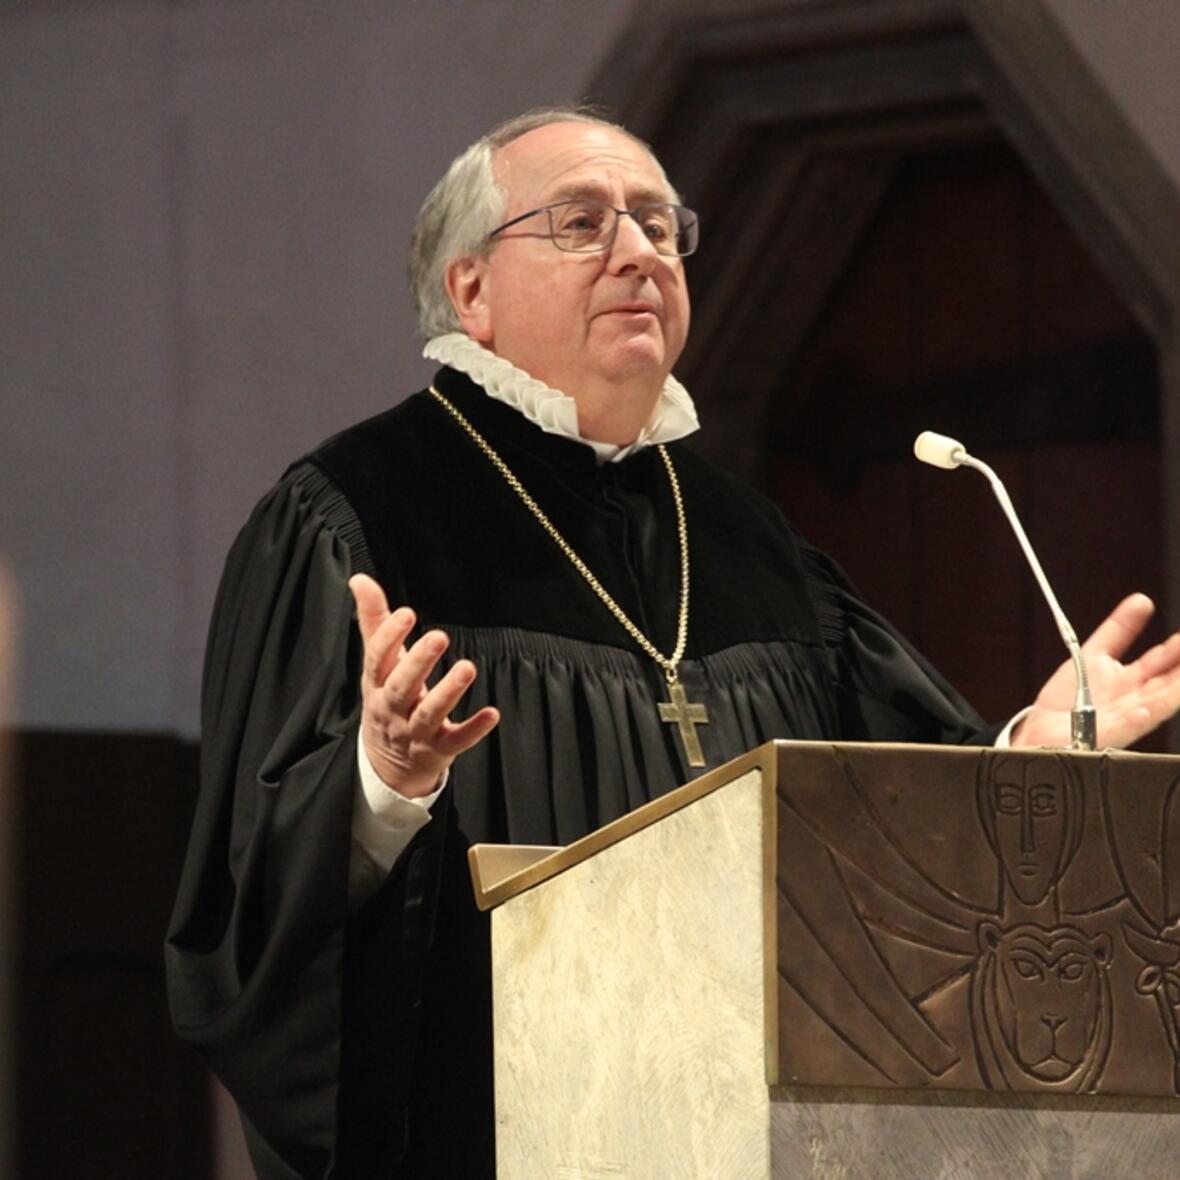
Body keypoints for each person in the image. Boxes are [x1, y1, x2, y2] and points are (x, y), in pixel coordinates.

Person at [165, 106, 1180, 1179]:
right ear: (470, 291)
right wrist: (382, 781)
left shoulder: (749, 539)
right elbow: (250, 902)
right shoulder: (355, 517)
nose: (638, 251)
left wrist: (1020, 759)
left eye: (658, 224)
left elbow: (885, 818)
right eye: (581, 222)